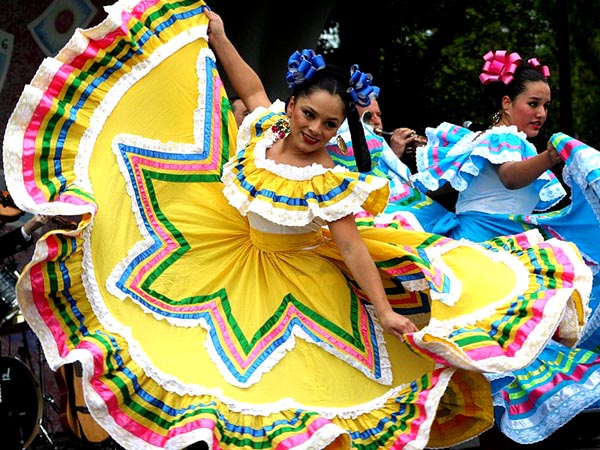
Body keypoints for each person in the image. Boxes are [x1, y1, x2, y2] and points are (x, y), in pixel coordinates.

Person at [2, 3, 593, 449]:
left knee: (287, 388)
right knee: (176, 347)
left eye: (330, 125)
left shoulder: (327, 179)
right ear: (292, 107)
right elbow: (251, 87)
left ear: (340, 129)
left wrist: (384, 311)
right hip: (224, 251)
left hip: (297, 280)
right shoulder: (262, 132)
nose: (315, 129)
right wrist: (220, 38)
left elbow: (355, 250)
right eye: (308, 114)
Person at [409, 49, 600, 447]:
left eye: (546, 105)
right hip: (483, 252)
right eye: (533, 103)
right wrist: (553, 154)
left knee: (512, 346)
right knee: (505, 346)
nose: (541, 113)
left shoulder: (518, 144)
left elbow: (535, 202)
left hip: (508, 251)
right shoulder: (500, 138)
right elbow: (511, 179)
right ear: (506, 103)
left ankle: (506, 431)